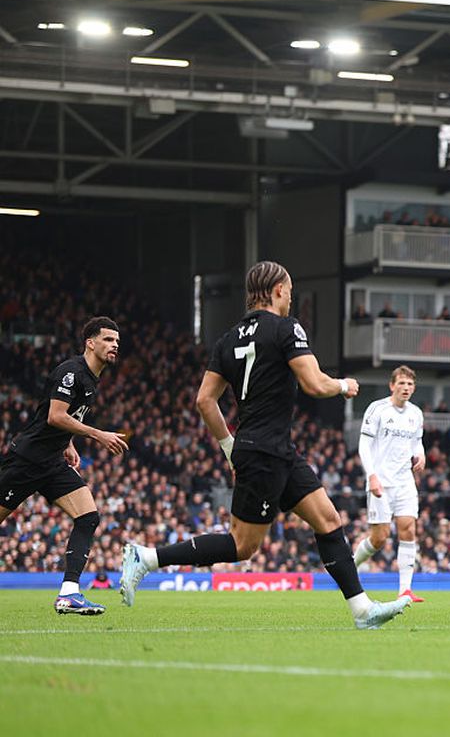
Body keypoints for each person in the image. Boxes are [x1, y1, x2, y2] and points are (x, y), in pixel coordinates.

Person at [120, 260, 409, 629]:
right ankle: (145, 558)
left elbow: (204, 401)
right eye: (288, 292)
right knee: (242, 545)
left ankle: (362, 610)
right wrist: (343, 385)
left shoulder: (228, 338)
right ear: (276, 291)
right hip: (265, 451)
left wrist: (228, 446)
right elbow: (315, 384)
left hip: (271, 448)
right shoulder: (286, 328)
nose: (290, 299)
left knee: (328, 519)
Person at [0, 316, 128, 615]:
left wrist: (68, 443)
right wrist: (97, 435)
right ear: (90, 342)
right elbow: (54, 416)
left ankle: (69, 593)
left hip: (52, 462)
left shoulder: (92, 379)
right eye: (108, 340)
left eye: (117, 342)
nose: (114, 346)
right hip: (27, 461)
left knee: (88, 517)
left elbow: (60, 417)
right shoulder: (71, 372)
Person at [352, 365, 427, 602]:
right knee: (379, 538)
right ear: (392, 385)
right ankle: (350, 567)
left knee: (409, 529)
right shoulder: (377, 409)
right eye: (402, 383)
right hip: (381, 481)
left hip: (405, 480)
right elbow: (364, 445)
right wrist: (371, 475)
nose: (406, 388)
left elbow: (417, 442)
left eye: (410, 384)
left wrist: (421, 454)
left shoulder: (416, 413)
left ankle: (405, 590)